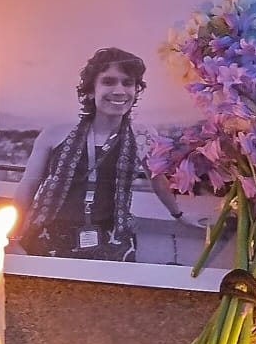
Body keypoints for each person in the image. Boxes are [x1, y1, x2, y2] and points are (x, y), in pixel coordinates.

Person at [13, 47, 189, 261]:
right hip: (49, 238)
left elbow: (158, 181)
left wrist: (179, 215)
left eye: (128, 83)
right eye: (108, 82)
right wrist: (11, 237)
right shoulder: (56, 133)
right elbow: (28, 186)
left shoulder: (143, 136)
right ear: (90, 90)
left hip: (113, 241)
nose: (119, 90)